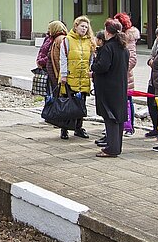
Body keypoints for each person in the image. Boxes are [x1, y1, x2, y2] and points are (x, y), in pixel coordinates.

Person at [91, 19, 130, 158]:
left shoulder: (108, 47)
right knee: (118, 117)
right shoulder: (123, 47)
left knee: (110, 117)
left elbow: (102, 66)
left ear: (108, 32)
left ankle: (112, 148)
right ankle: (116, 146)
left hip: (108, 86)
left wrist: (93, 67)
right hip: (120, 85)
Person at [59, 16, 96, 140]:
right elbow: (63, 57)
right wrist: (63, 74)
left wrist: (91, 69)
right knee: (67, 104)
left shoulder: (89, 41)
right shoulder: (67, 40)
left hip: (83, 77)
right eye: (82, 26)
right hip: (70, 76)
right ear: (76, 26)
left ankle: (78, 127)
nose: (84, 29)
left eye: (86, 27)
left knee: (81, 104)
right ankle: (64, 128)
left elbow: (91, 58)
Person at [114, 12, 140, 137]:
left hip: (125, 76)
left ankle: (129, 126)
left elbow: (132, 59)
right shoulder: (117, 36)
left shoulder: (129, 38)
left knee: (127, 101)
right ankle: (119, 125)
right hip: (118, 75)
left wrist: (121, 70)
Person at [36, 21, 67, 91]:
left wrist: (41, 61)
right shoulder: (50, 38)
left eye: (50, 28)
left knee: (55, 88)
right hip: (49, 66)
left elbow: (54, 55)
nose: (48, 30)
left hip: (55, 67)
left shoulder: (60, 39)